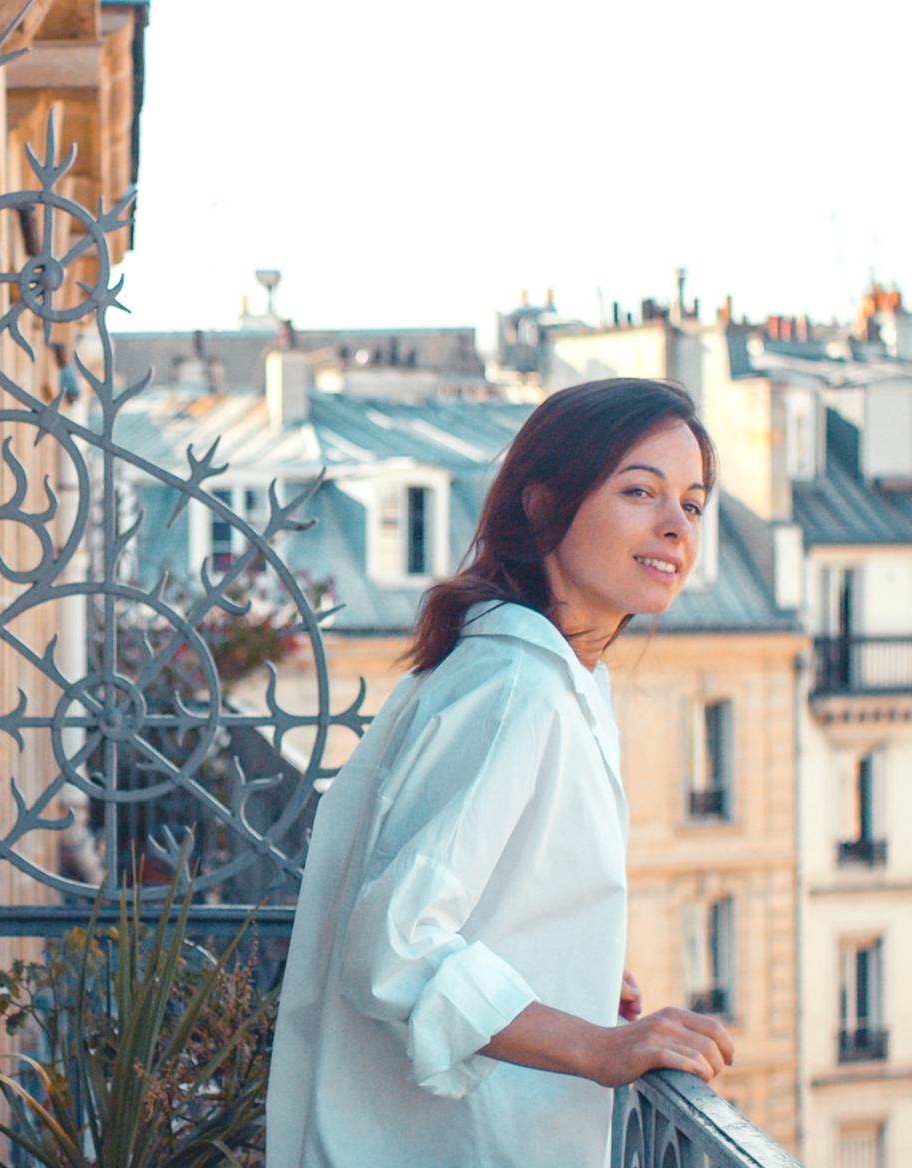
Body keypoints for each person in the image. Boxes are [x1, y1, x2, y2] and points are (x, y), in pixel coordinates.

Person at [267, 378, 736, 1167]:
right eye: (639, 491)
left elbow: (458, 892)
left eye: (691, 504)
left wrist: (567, 964)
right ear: (544, 504)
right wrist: (595, 1045)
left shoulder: (554, 677)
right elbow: (391, 946)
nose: (674, 526)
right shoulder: (514, 687)